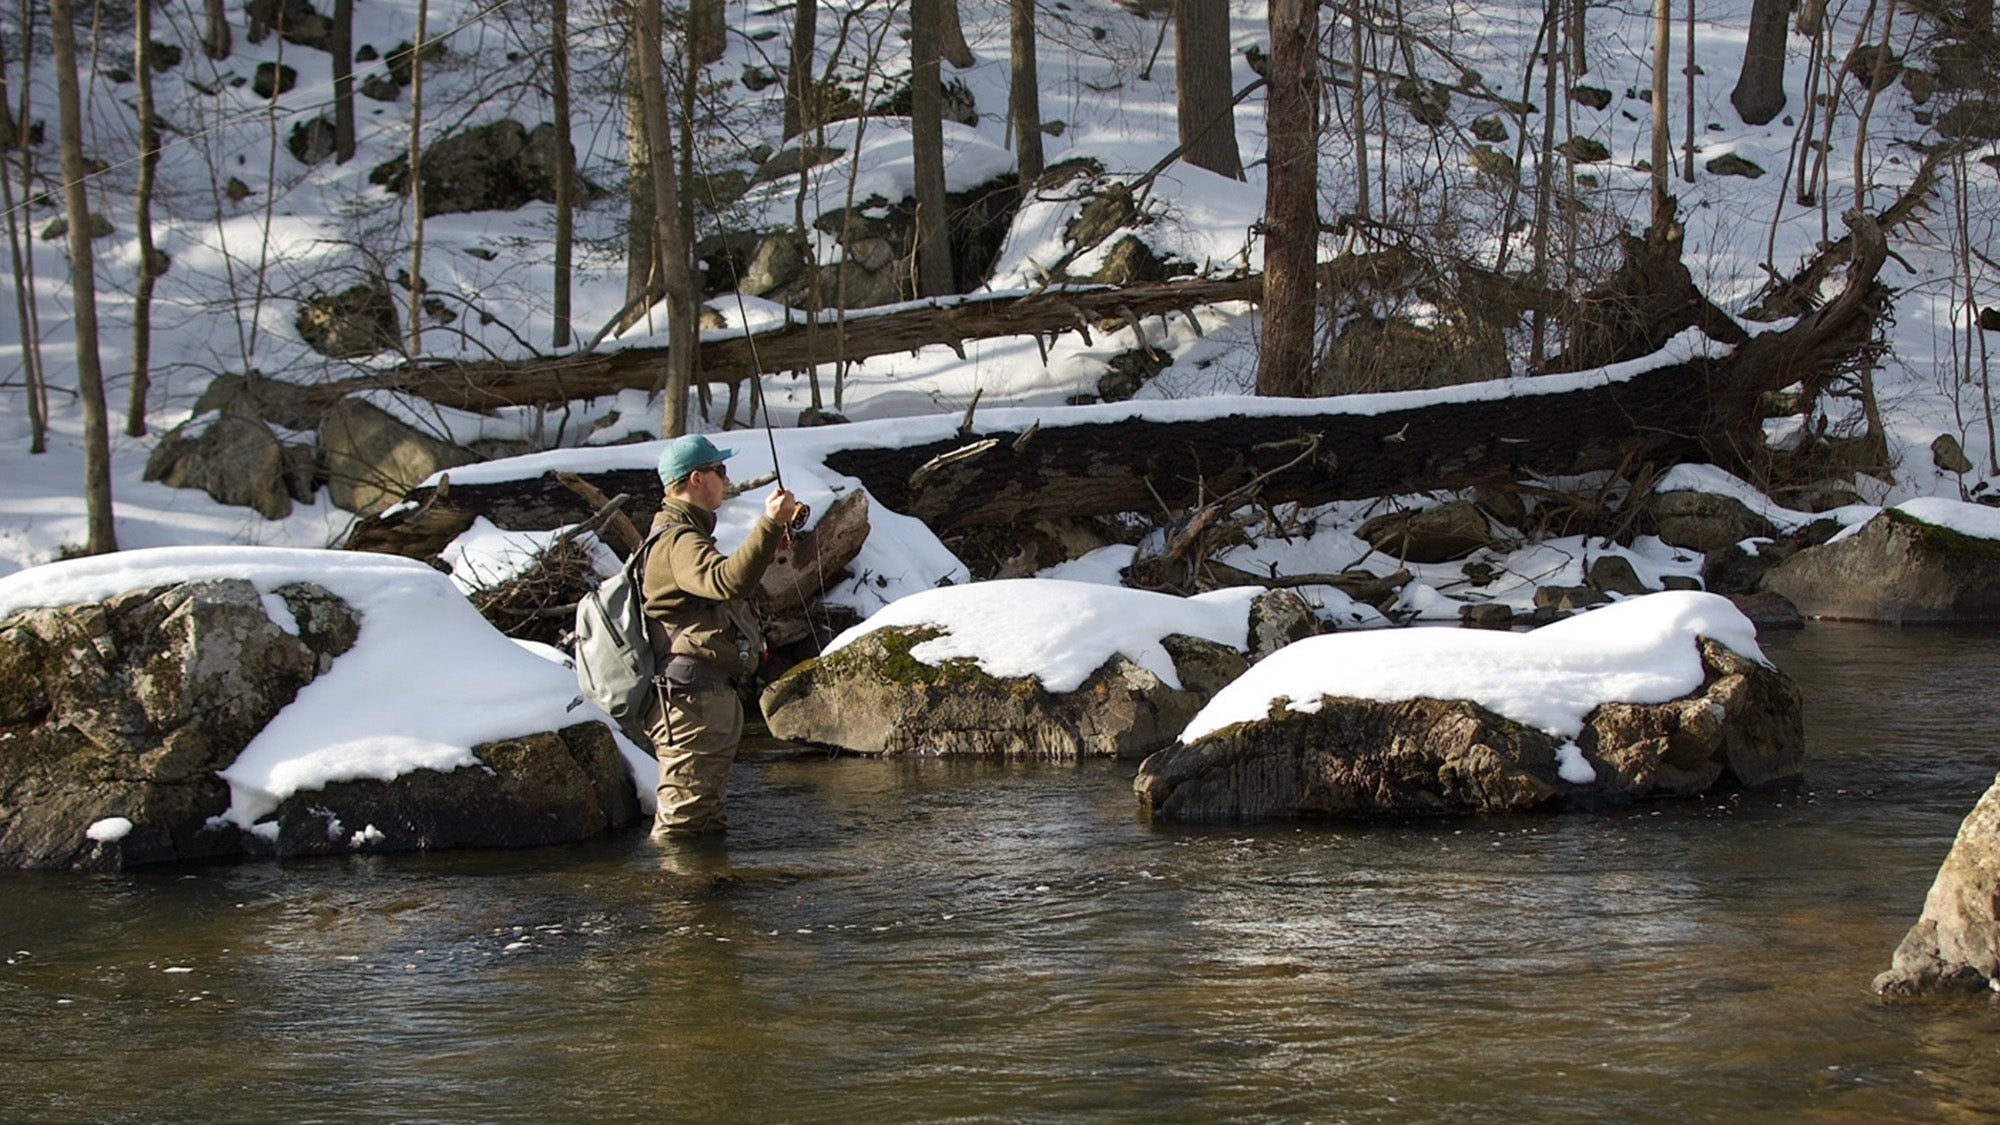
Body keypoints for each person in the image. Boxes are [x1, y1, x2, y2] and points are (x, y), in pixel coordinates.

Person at [640, 433, 800, 838]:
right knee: (684, 825)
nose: (727, 480)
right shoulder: (678, 539)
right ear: (696, 478)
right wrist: (769, 524)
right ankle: (675, 901)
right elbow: (725, 581)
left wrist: (768, 542)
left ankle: (703, 898)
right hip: (690, 702)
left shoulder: (685, 536)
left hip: (700, 699)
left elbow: (724, 583)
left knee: (704, 821)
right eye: (720, 471)